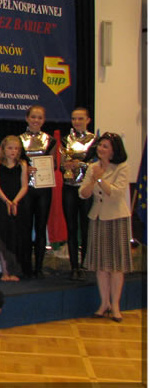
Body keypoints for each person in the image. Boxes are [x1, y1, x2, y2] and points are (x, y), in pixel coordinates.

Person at [79, 133, 132, 322]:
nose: (101, 149)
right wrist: (94, 179)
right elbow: (83, 193)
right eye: (100, 145)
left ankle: (116, 305)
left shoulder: (122, 167)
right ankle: (104, 303)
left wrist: (101, 179)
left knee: (116, 266)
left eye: (105, 146)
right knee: (101, 265)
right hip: (97, 217)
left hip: (117, 218)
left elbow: (116, 193)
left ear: (114, 150)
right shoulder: (92, 167)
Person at [19, 104, 57, 279]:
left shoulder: (50, 140)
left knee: (41, 227)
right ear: (27, 118)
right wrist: (25, 168)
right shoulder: (18, 140)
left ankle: (39, 267)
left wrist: (46, 167)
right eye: (33, 117)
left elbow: (54, 164)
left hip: (43, 188)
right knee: (25, 227)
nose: (36, 120)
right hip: (25, 188)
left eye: (39, 117)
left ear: (44, 120)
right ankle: (26, 266)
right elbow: (14, 163)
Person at [61, 107, 97, 281]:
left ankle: (86, 263)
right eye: (74, 118)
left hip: (86, 187)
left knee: (86, 226)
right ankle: (74, 266)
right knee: (71, 227)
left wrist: (80, 164)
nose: (77, 122)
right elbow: (61, 165)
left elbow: (98, 165)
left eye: (80, 118)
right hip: (69, 186)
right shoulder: (65, 140)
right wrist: (66, 166)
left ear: (88, 120)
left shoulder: (95, 140)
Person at [0, 136, 28, 281]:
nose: (13, 151)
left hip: (17, 203)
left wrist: (15, 201)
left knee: (15, 236)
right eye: (10, 148)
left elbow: (24, 186)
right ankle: (5, 271)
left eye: (16, 148)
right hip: (2, 203)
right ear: (4, 149)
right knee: (2, 236)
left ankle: (14, 270)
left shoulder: (22, 164)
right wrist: (6, 201)